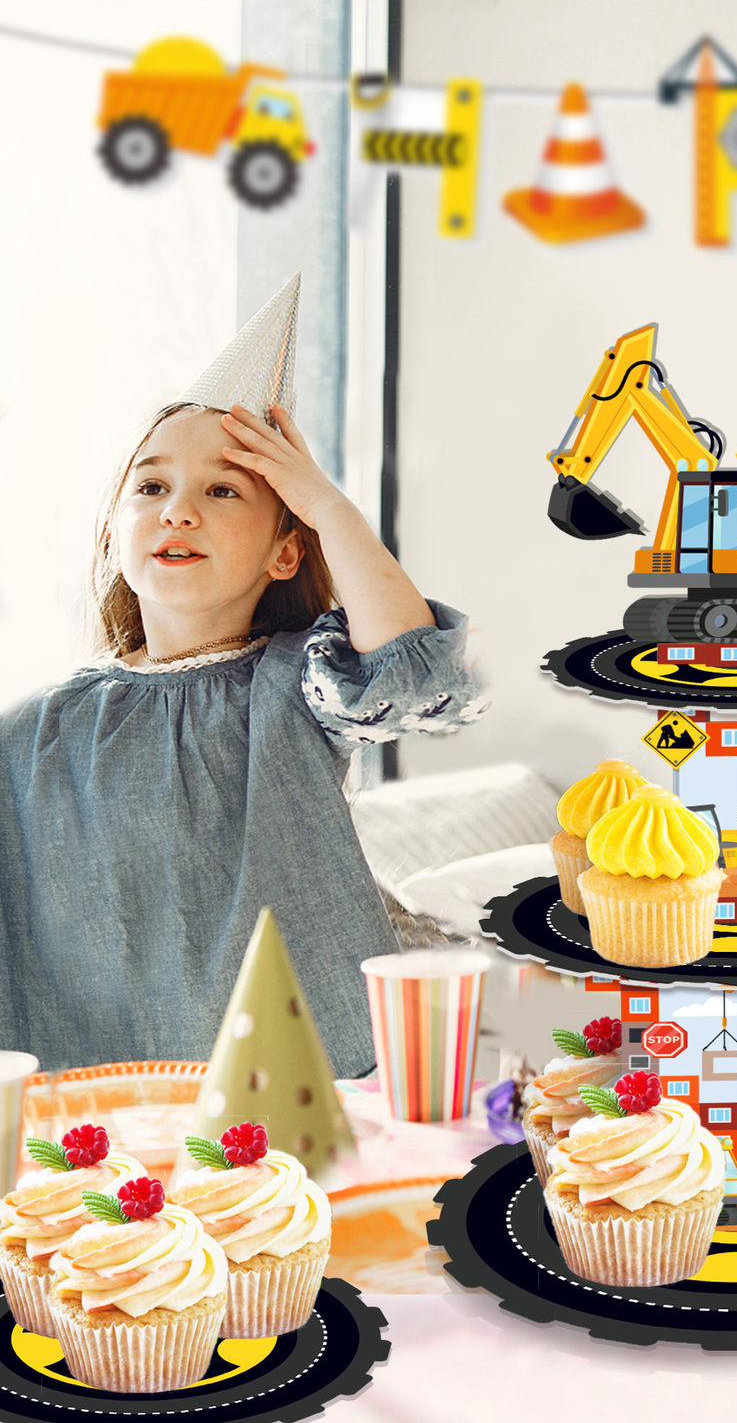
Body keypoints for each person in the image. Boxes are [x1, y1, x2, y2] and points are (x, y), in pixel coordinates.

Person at [0, 277, 486, 1076]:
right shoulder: (39, 731)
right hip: (108, 1102)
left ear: (285, 551)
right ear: (117, 529)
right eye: (151, 486)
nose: (177, 510)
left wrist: (327, 506)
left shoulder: (301, 684)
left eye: (222, 490)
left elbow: (413, 667)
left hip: (301, 1088)